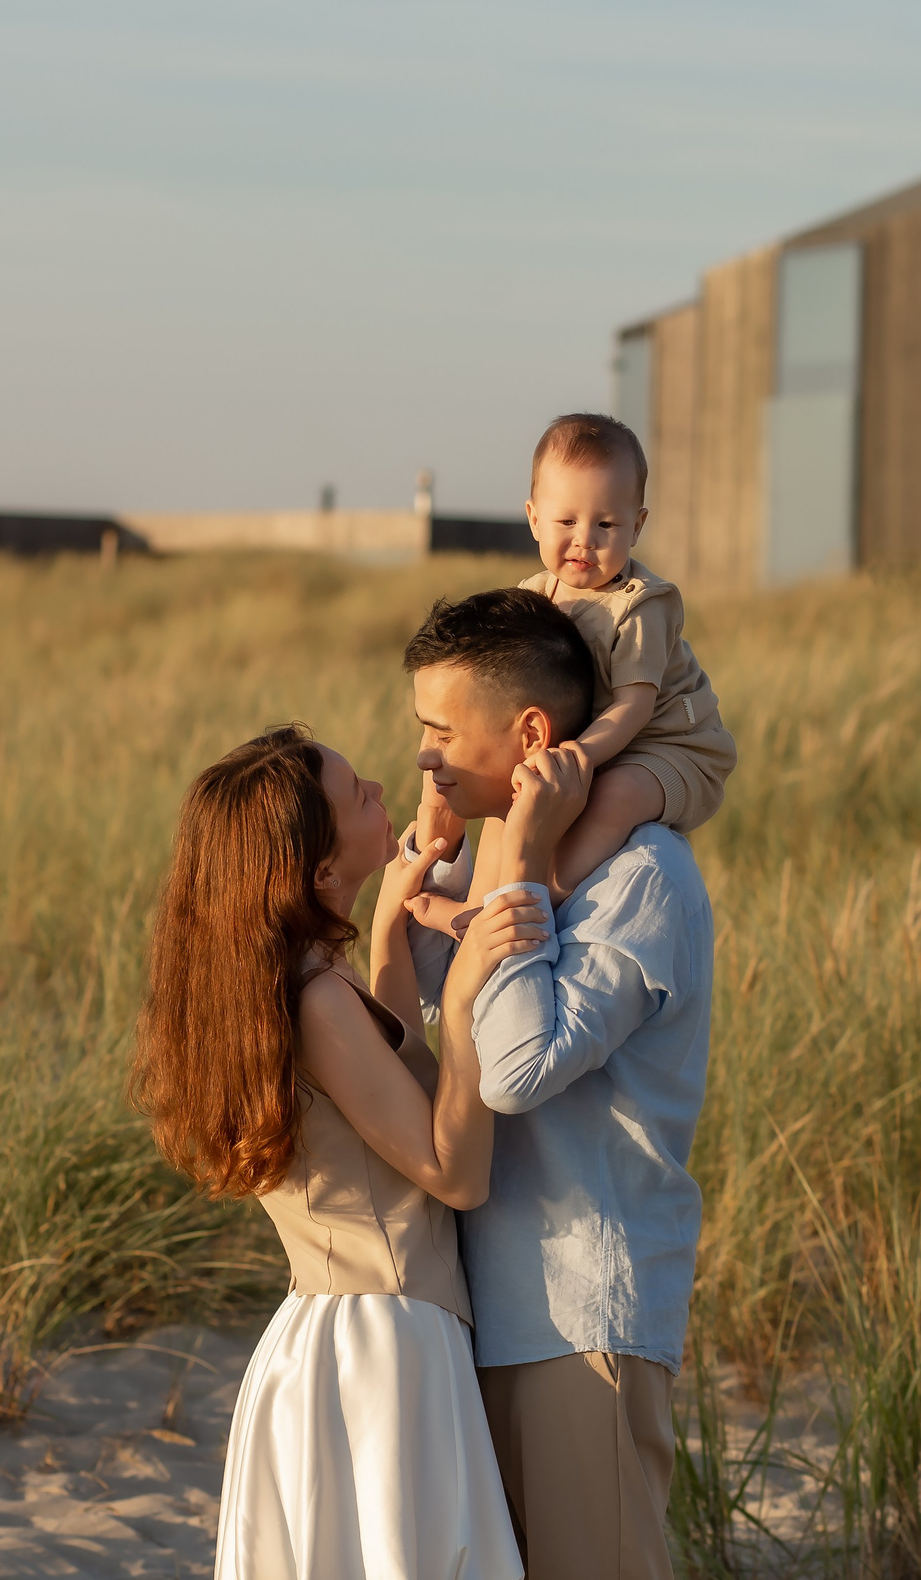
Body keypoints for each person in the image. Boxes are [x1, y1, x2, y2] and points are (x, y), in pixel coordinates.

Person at [133, 725, 545, 1580]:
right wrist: (463, 995)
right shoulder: (318, 999)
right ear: (318, 872)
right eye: (359, 792)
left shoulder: (297, 977)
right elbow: (455, 1173)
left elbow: (389, 1080)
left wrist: (394, 917)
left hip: (338, 1333)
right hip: (384, 1349)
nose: (384, 793)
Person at [396, 590, 720, 1580]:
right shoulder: (471, 874)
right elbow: (417, 1043)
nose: (424, 756)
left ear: (531, 733)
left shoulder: (643, 874)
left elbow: (517, 1069)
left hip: (582, 1312)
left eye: (442, 731)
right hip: (476, 1312)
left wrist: (528, 859)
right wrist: (430, 877)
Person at [409, 412, 735, 936]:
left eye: (606, 525)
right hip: (588, 737)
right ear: (534, 518)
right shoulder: (536, 594)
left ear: (637, 525)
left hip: (666, 747)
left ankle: (548, 899)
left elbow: (634, 705)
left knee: (613, 798)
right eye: (566, 523)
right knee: (508, 795)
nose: (584, 540)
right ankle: (479, 907)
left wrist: (577, 754)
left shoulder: (639, 606)